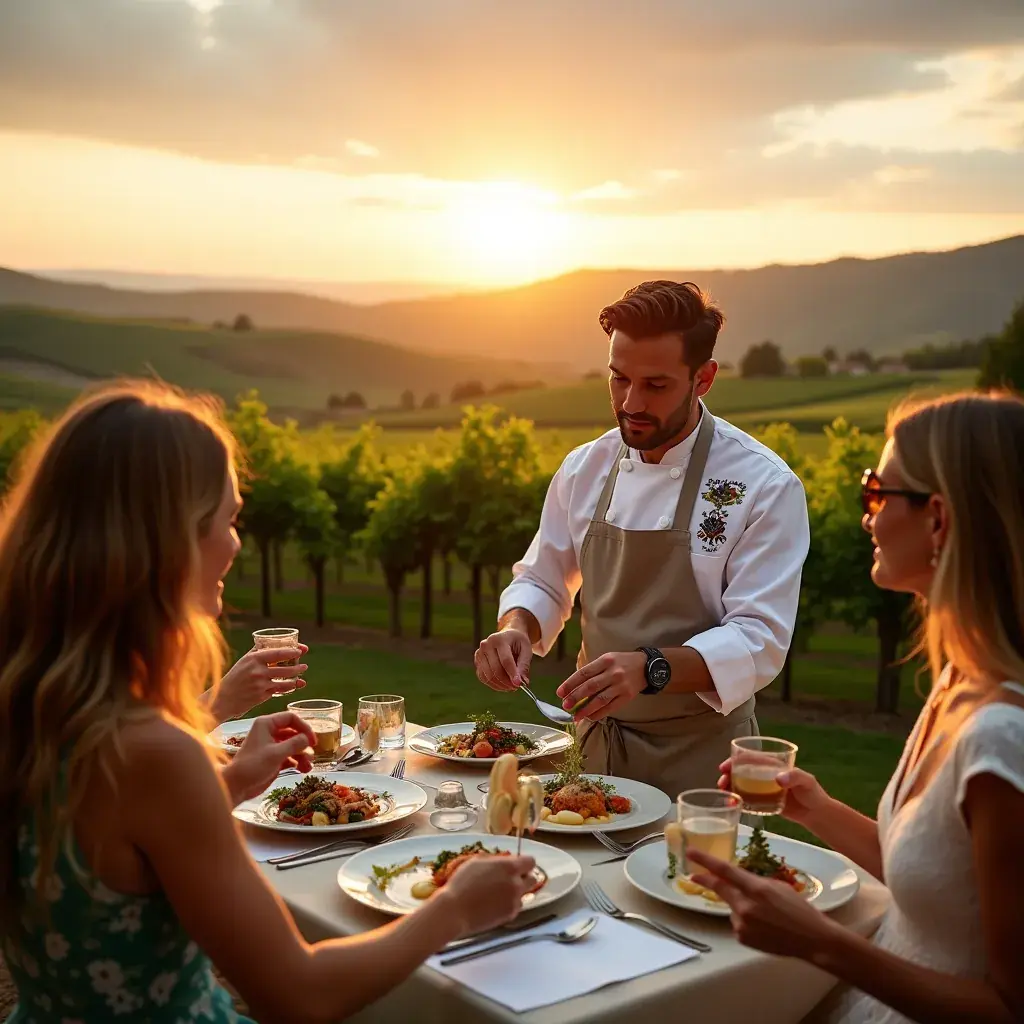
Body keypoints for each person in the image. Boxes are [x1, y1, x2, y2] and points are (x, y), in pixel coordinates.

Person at [0, 381, 536, 1024]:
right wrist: (453, 908)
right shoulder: (156, 753)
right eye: (225, 521)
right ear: (163, 543)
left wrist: (225, 785)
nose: (236, 544)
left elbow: (111, 844)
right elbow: (299, 994)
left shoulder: (32, 709)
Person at [688, 390, 1024, 1024]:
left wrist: (819, 941)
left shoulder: (1003, 738)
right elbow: (938, 884)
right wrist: (815, 808)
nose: (866, 516)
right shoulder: (959, 681)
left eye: (877, 493)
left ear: (938, 519)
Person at [474, 281, 809, 795]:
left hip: (702, 763)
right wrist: (517, 628)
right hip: (591, 752)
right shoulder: (584, 468)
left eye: (656, 385)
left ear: (704, 379)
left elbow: (759, 637)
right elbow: (544, 578)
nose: (631, 402)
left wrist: (650, 668)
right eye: (619, 379)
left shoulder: (763, 485)